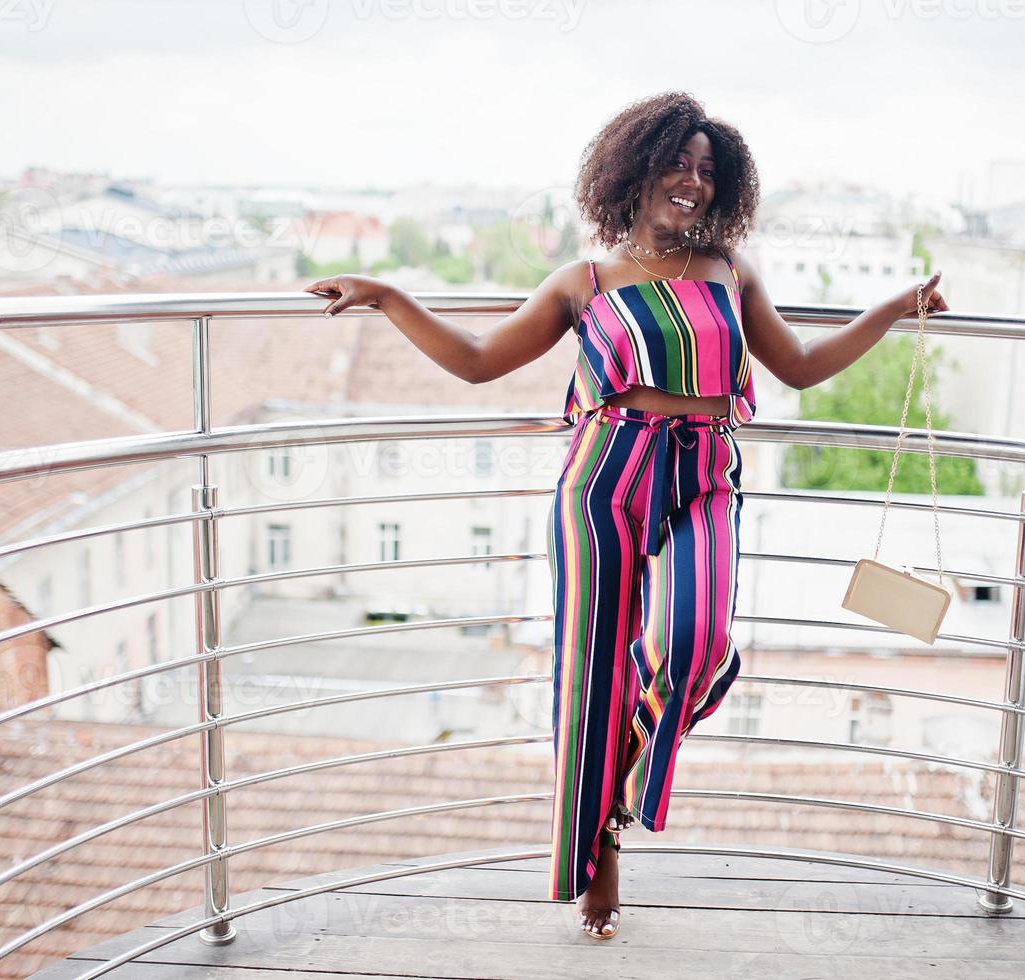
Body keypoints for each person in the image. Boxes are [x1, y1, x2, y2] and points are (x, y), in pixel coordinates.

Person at [304, 90, 948, 942]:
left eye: (707, 170)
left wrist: (894, 309)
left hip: (703, 473)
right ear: (633, 172)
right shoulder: (585, 281)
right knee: (593, 673)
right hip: (602, 478)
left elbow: (795, 365)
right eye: (675, 164)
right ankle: (598, 856)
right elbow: (474, 361)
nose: (691, 181)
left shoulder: (731, 271)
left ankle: (606, 805)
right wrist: (388, 296)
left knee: (697, 643)